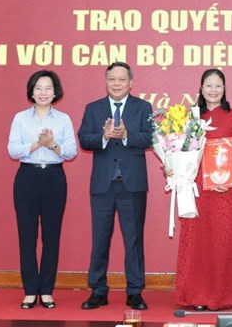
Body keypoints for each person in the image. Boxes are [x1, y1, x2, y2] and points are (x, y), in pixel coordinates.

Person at [77, 62, 153, 311]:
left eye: (122, 80)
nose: (117, 84)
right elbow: (84, 139)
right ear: (106, 81)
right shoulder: (93, 108)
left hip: (132, 185)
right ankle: (98, 291)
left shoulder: (143, 107)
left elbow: (150, 137)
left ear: (131, 82)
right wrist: (104, 137)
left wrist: (126, 135)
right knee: (100, 240)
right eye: (112, 80)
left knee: (133, 240)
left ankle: (134, 292)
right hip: (103, 185)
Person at [174, 69, 232, 310]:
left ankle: (223, 296)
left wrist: (228, 177)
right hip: (197, 189)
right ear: (201, 88)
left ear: (224, 89)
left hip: (225, 189)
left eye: (218, 86)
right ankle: (196, 296)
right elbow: (180, 148)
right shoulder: (191, 116)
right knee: (198, 242)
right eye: (209, 85)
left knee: (222, 242)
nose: (213, 90)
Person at [7, 70, 77, 310]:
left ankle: (46, 290)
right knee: (27, 236)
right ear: (31, 91)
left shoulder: (64, 119)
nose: (43, 92)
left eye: (48, 88)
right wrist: (38, 143)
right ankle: (29, 291)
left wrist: (53, 145)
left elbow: (71, 151)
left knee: (51, 236)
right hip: (27, 177)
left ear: (55, 91)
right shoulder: (20, 118)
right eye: (38, 88)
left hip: (54, 178)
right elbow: (13, 150)